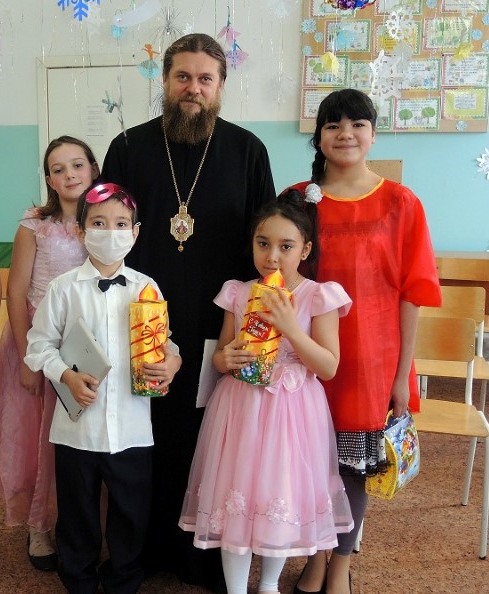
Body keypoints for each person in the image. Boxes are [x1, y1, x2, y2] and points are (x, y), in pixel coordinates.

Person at [101, 32, 276, 589]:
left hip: (216, 325)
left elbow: (266, 244)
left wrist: (253, 327)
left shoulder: (247, 151)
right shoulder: (128, 146)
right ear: (165, 81)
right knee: (143, 434)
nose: (192, 88)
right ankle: (140, 551)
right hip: (143, 320)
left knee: (210, 437)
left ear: (221, 86)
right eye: (183, 77)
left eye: (205, 79)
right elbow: (104, 231)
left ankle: (204, 556)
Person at [288, 88, 441, 594]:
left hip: (372, 361)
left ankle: (339, 567)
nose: (345, 134)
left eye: (357, 124)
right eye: (333, 125)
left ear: (374, 134)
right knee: (310, 463)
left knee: (353, 467)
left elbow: (413, 293)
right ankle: (313, 558)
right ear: (319, 137)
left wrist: (402, 375)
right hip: (307, 356)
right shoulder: (298, 199)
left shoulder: (401, 202)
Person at [179, 189, 354, 594]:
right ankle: (237, 588)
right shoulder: (238, 292)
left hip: (293, 414)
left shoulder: (318, 296)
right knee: (235, 498)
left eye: (285, 246)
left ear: (305, 249)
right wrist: (226, 358)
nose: (272, 256)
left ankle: (270, 585)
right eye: (263, 244)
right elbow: (219, 356)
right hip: (240, 408)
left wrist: (291, 327)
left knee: (281, 495)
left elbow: (328, 366)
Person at [25, 182, 182, 594]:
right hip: (77, 428)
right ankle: (78, 578)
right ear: (81, 231)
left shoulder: (147, 287)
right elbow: (38, 346)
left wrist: (173, 361)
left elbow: (166, 341)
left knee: (131, 511)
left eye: (120, 223)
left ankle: (123, 579)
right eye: (98, 223)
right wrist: (66, 375)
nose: (110, 232)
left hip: (132, 428)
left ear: (135, 232)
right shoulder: (63, 288)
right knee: (77, 511)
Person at [0, 136, 98, 571]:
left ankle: (81, 521)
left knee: (81, 433)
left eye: (77, 165)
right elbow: (17, 290)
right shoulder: (35, 224)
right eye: (58, 169)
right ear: (49, 180)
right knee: (38, 438)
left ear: (93, 170)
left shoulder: (105, 220)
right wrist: (29, 359)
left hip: (87, 342)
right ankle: (39, 525)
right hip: (37, 340)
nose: (70, 175)